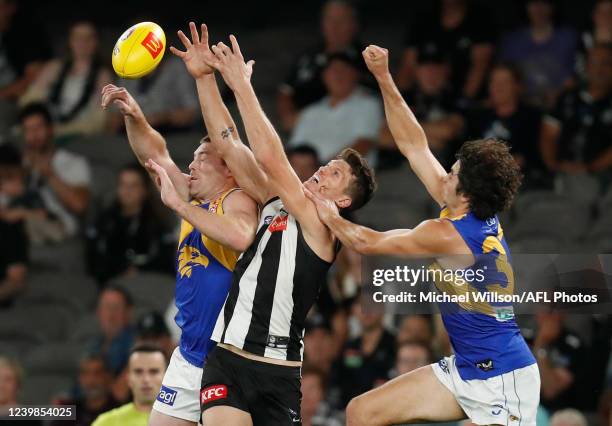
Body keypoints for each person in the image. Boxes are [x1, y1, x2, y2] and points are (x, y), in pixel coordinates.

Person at [304, 45, 539, 426]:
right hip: (465, 367)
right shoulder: (471, 209)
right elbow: (414, 145)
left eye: (452, 174)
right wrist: (384, 77)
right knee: (361, 412)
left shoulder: (446, 233)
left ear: (464, 192)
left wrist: (325, 210)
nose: (444, 175)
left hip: (503, 378)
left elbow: (366, 243)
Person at [187, 29, 375, 425]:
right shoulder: (275, 201)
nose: (323, 170)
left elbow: (272, 158)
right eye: (329, 164)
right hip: (226, 359)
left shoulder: (322, 228)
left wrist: (241, 86)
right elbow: (228, 144)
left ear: (342, 201)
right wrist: (204, 78)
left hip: (278, 371)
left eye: (335, 174)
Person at [100, 22, 259, 426]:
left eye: (202, 158)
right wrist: (135, 116)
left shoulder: (236, 199)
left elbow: (242, 237)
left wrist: (184, 208)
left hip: (228, 355)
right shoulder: (195, 197)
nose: (191, 164)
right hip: (189, 352)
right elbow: (154, 155)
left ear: (229, 169)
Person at [277, 0, 364, 131]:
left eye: (342, 20)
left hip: (340, 127)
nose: (335, 27)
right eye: (330, 20)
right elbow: (285, 91)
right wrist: (288, 116)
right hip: (301, 126)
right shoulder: (308, 57)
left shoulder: (363, 59)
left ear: (354, 24)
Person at [85, 163, 174, 284]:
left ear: (144, 190)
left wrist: (139, 271)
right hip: (110, 281)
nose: (127, 191)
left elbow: (166, 261)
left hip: (148, 281)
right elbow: (93, 257)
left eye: (133, 186)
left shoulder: (158, 222)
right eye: (123, 185)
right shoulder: (105, 220)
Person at [19, 20, 112, 136]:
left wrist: (61, 131)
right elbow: (29, 100)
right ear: (70, 41)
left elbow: (97, 119)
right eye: (77, 37)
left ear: (96, 42)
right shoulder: (54, 67)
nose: (83, 43)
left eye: (88, 38)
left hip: (78, 133)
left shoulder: (103, 75)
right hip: (44, 126)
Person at [466, 63, 550, 188]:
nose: (498, 87)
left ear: (518, 86)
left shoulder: (532, 117)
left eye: (504, 82)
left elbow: (526, 158)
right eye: (494, 82)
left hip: (522, 184)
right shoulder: (478, 117)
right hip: (481, 184)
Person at [289, 50, 383, 162]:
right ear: (324, 76)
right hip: (305, 175)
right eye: (333, 70)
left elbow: (363, 144)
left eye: (344, 69)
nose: (338, 74)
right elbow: (293, 149)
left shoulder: (368, 105)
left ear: (356, 74)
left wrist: (324, 171)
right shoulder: (310, 111)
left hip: (348, 176)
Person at [396, 0, 494, 101]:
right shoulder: (424, 17)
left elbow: (480, 66)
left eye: (436, 67)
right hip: (421, 101)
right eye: (428, 67)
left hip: (464, 100)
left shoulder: (480, 18)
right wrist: (399, 102)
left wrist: (463, 104)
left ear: (448, 69)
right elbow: (407, 67)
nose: (432, 73)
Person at [18, 102, 91, 238]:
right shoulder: (22, 163)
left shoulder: (73, 162)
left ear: (50, 129)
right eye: (28, 130)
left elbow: (80, 206)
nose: (34, 135)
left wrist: (49, 174)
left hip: (58, 225)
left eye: (38, 128)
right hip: (24, 220)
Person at [540, 43, 612, 176]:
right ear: (587, 66)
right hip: (560, 172)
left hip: (602, 177)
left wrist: (591, 168)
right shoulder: (568, 97)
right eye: (594, 62)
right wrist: (554, 165)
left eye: (606, 63)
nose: (599, 69)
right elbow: (548, 135)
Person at [499, 0, 580, 109]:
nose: (539, 9)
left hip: (560, 107)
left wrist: (560, 94)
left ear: (552, 7)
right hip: (521, 109)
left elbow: (575, 78)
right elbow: (503, 79)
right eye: (533, 3)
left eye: (544, 3)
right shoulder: (512, 41)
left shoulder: (568, 38)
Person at [92, 344, 168, 426]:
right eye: (138, 372)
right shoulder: (106, 423)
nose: (146, 379)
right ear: (128, 378)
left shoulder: (182, 421)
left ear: (167, 377)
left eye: (153, 372)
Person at [51, 353, 119, 426]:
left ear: (108, 376)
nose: (91, 381)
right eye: (85, 373)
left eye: (97, 373)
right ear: (79, 378)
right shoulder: (69, 410)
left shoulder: (119, 411)